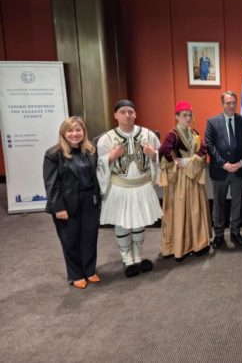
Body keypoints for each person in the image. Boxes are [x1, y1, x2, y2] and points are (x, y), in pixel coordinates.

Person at [96, 100, 163, 277]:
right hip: (120, 187)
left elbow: (162, 155)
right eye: (123, 112)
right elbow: (98, 165)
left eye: (130, 112)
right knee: (123, 223)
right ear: (115, 115)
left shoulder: (148, 134)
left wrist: (153, 154)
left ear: (135, 114)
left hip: (142, 185)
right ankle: (127, 260)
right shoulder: (106, 139)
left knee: (139, 222)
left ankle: (138, 257)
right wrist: (111, 157)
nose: (127, 115)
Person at [43, 116, 101, 289]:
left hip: (90, 200)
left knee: (90, 237)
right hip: (66, 204)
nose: (75, 134)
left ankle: (89, 270)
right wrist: (58, 207)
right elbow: (51, 184)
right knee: (70, 240)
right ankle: (76, 274)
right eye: (70, 130)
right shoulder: (53, 154)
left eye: (78, 130)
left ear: (84, 132)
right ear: (63, 133)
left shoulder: (91, 150)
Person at [158, 100, 212, 260]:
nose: (188, 118)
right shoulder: (173, 134)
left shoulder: (194, 133)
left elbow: (203, 150)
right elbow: (163, 150)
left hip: (193, 177)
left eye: (189, 115)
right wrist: (175, 161)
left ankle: (197, 244)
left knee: (195, 209)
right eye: (184, 115)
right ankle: (180, 247)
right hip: (180, 179)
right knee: (180, 210)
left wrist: (190, 160)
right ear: (177, 116)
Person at [205, 91, 242, 248]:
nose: (232, 105)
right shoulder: (212, 122)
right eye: (228, 103)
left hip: (239, 170)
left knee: (237, 203)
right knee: (218, 204)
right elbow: (209, 145)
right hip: (220, 171)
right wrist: (223, 164)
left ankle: (235, 232)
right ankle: (219, 234)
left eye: (234, 102)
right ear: (222, 104)